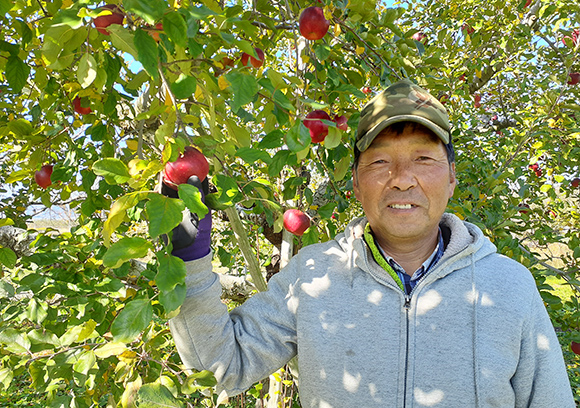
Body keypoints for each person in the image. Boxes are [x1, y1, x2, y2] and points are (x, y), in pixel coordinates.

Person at [167, 79, 575, 407]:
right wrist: (189, 261)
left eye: (423, 158)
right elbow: (219, 366)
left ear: (451, 176)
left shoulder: (509, 287)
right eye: (380, 161)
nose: (401, 177)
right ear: (357, 182)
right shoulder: (312, 276)